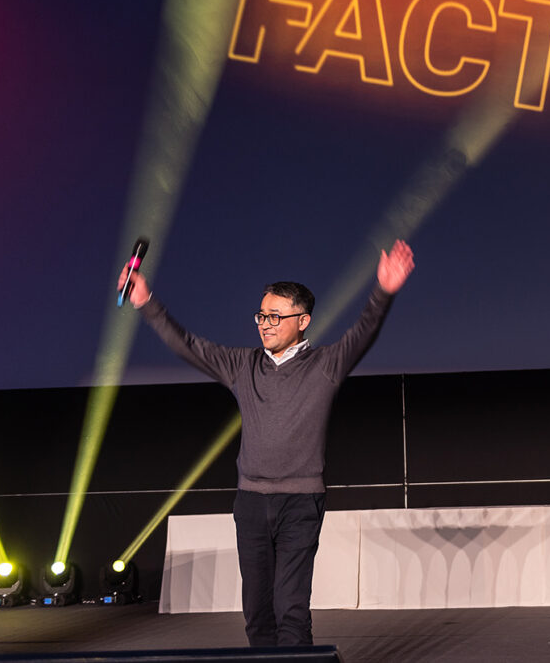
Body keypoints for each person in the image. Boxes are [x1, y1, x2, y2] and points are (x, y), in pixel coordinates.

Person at [117, 240, 414, 646]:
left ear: (303, 320)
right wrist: (145, 301)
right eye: (261, 315)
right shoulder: (243, 365)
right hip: (251, 503)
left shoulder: (325, 365)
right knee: (257, 612)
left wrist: (383, 292)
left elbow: (363, 331)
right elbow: (188, 344)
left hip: (301, 503)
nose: (265, 324)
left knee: (291, 608)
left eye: (276, 316)